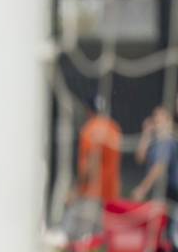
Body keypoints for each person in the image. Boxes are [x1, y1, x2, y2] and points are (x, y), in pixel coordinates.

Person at [63, 95, 121, 241]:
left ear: (89, 111)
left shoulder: (90, 130)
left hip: (91, 193)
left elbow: (92, 162)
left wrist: (77, 190)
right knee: (101, 239)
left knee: (78, 235)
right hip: (110, 193)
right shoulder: (114, 128)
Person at [132, 105, 178, 203]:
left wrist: (142, 189)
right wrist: (146, 134)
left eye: (160, 119)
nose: (157, 123)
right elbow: (140, 158)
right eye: (155, 119)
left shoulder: (167, 140)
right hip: (161, 192)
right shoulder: (156, 141)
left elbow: (159, 167)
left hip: (171, 193)